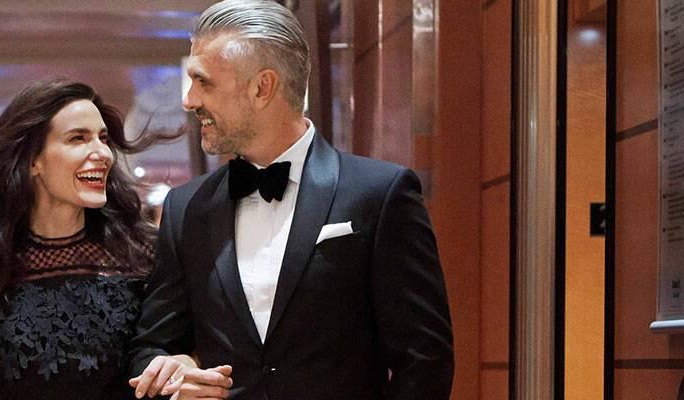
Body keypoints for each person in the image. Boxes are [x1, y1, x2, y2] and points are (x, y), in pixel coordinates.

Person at [127, 1, 455, 399]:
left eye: (204, 82)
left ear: (262, 87)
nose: (189, 100)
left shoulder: (380, 193)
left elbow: (424, 360)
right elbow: (152, 347)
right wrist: (173, 373)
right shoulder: (185, 209)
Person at [0, 78, 231, 400]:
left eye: (102, 138)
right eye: (78, 139)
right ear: (33, 161)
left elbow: (192, 353)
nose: (102, 153)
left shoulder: (145, 253)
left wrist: (185, 362)